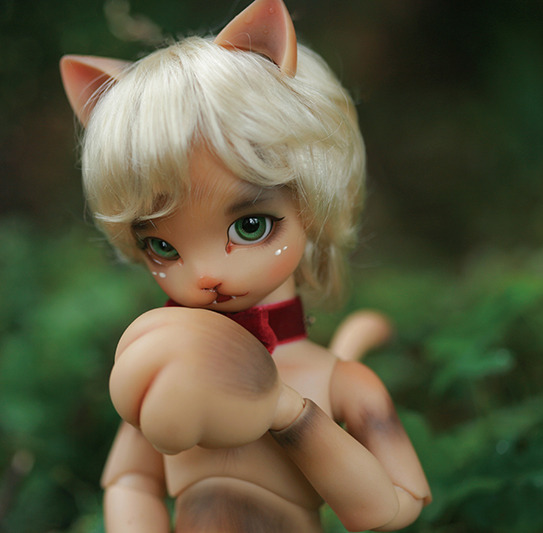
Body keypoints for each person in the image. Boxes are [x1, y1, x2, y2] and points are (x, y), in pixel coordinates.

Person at [60, 0, 431, 530]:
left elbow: (393, 507)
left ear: (312, 200)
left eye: (251, 226)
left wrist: (290, 413)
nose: (206, 274)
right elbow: (131, 481)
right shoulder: (172, 370)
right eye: (162, 246)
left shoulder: (340, 382)